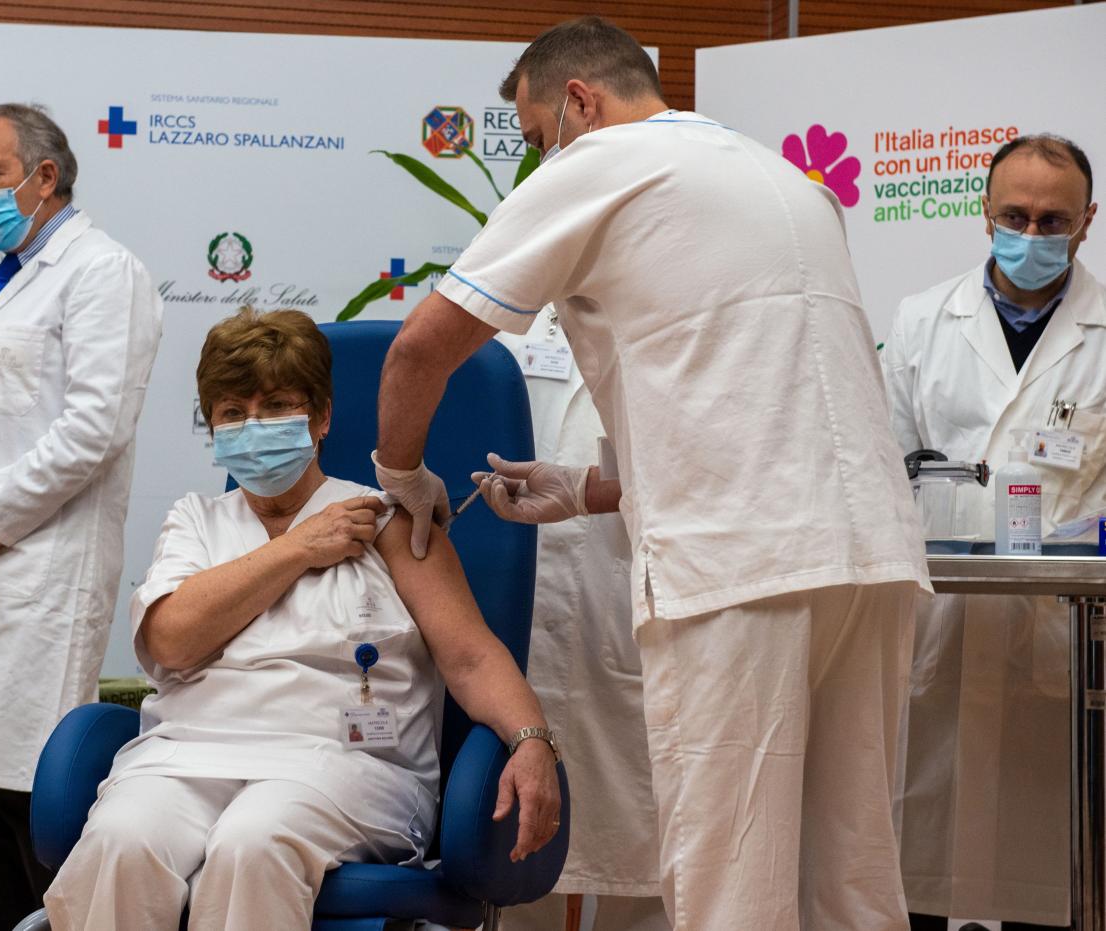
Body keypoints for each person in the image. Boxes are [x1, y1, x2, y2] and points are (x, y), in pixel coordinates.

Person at [371, 16, 929, 930]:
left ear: (580, 101)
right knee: (849, 874)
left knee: (732, 874)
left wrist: (402, 474)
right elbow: (753, 401)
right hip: (867, 556)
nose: (539, 159)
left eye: (538, 136)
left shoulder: (600, 163)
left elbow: (419, 351)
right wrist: (588, 487)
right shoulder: (781, 178)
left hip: (741, 568)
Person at [44, 308, 561, 930]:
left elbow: (471, 656)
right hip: (186, 755)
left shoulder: (389, 520)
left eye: (276, 406)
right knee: (122, 841)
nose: (253, 426)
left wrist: (533, 742)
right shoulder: (196, 520)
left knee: (253, 842)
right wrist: (297, 548)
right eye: (233, 413)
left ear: (320, 418)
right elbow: (172, 642)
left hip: (344, 766)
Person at [0, 103, 163, 930]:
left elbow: (94, 426)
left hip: (42, 573)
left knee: (36, 801)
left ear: (44, 176)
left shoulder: (102, 271)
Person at [884, 134, 1102, 931]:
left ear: (1087, 223)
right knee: (926, 880)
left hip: (1063, 638)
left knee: (1056, 876)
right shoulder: (919, 323)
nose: (1034, 233)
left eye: (1054, 219)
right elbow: (882, 469)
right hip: (940, 627)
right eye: (1015, 214)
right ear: (984, 213)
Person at [491, 309, 668, 931]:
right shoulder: (504, 341)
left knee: (651, 868)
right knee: (514, 874)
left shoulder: (676, 327)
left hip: (631, 623)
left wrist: (591, 491)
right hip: (518, 629)